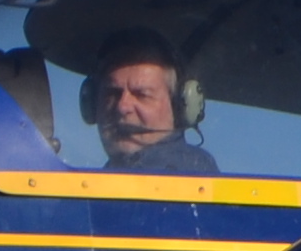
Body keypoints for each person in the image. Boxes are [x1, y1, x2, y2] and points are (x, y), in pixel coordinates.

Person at [78, 36, 218, 175]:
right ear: (93, 104)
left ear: (178, 108)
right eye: (112, 94)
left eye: (142, 95)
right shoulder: (104, 180)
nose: (122, 107)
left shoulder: (189, 172)